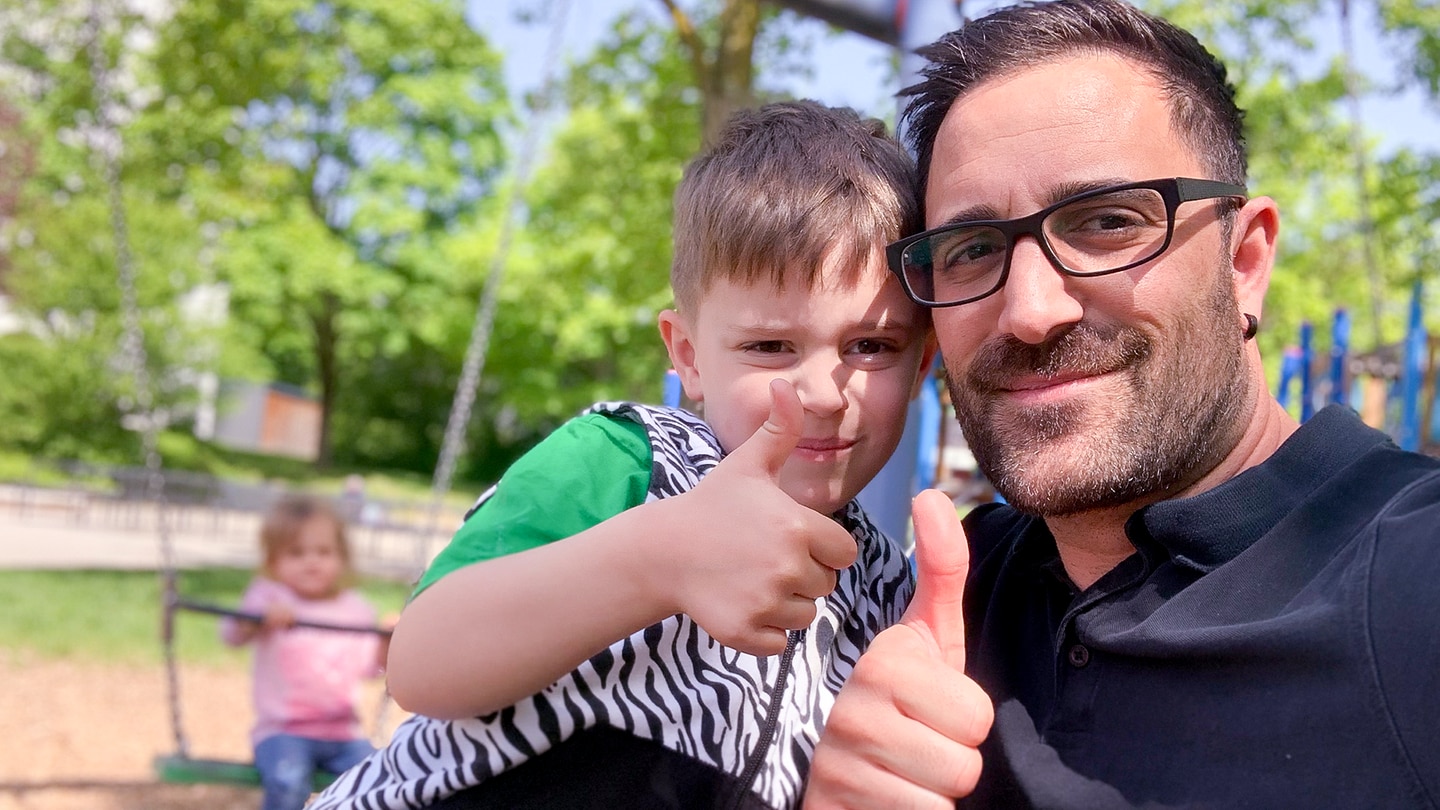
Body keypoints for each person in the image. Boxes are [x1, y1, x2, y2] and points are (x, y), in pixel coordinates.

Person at [798, 1, 1440, 807]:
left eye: (1106, 222)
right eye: (970, 249)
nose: (1030, 310)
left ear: (1242, 262)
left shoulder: (1415, 582)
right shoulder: (935, 598)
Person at [309, 99, 936, 810]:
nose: (823, 391)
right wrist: (654, 559)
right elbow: (422, 664)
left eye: (872, 347)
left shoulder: (881, 585)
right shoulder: (624, 461)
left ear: (921, 367)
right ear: (689, 356)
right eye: (770, 346)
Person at [220, 494, 391, 810]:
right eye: (296, 553)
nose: (311, 561)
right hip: (283, 732)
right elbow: (232, 634)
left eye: (323, 552)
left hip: (344, 733)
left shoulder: (356, 609)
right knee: (288, 783)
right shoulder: (270, 596)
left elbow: (371, 668)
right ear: (273, 562)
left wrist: (387, 641)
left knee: (381, 782)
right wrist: (260, 618)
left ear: (342, 557)